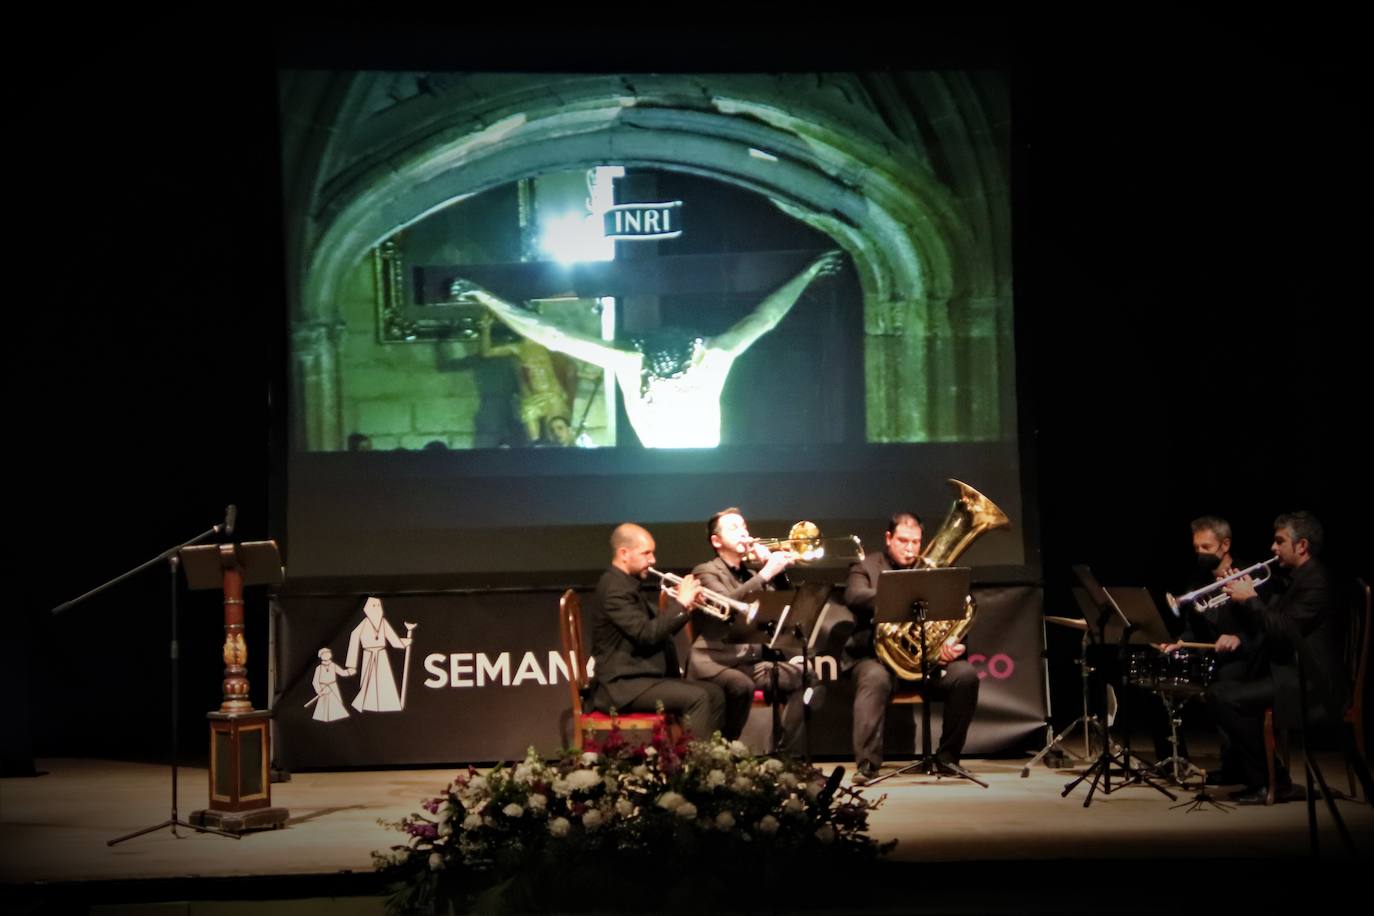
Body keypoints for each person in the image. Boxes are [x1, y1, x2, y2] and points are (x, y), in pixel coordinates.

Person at [450, 250, 843, 447]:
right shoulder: (691, 360)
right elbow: (763, 319)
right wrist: (484, 297)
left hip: (691, 459)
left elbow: (554, 335)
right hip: (676, 460)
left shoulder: (701, 360)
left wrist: (485, 297)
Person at [1206, 511, 1346, 804]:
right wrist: (1244, 598)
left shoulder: (1316, 580)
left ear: (1302, 546)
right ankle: (1260, 776)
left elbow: (1284, 631)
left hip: (1311, 682)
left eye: (1279, 541)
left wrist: (1251, 599)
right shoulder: (1297, 578)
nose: (1272, 547)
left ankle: (1273, 782)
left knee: (1226, 697)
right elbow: (1273, 625)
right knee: (1224, 685)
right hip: (1290, 672)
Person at [843, 512, 980, 785]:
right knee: (874, 678)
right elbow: (854, 596)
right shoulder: (866, 566)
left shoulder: (932, 570)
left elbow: (959, 610)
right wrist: (899, 595)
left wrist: (951, 646)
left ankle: (948, 758)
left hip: (926, 663)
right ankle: (868, 764)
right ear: (888, 538)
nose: (910, 548)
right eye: (903, 540)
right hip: (877, 659)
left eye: (916, 542)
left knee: (965, 676)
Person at [586, 523, 725, 740]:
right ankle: (697, 765)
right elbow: (647, 635)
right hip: (623, 686)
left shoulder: (626, 584)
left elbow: (658, 629)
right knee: (699, 698)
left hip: (640, 678)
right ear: (624, 553)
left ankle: (717, 756)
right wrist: (680, 604)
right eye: (646, 553)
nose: (653, 560)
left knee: (715, 693)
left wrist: (686, 607)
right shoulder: (614, 589)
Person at [689, 508, 807, 754]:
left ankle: (788, 755)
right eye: (734, 528)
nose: (743, 533)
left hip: (748, 661)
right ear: (716, 541)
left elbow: (785, 605)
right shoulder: (705, 571)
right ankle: (725, 751)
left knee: (804, 677)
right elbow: (726, 604)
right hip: (715, 661)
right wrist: (765, 573)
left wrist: (777, 571)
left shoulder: (751, 574)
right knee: (741, 686)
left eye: (744, 527)